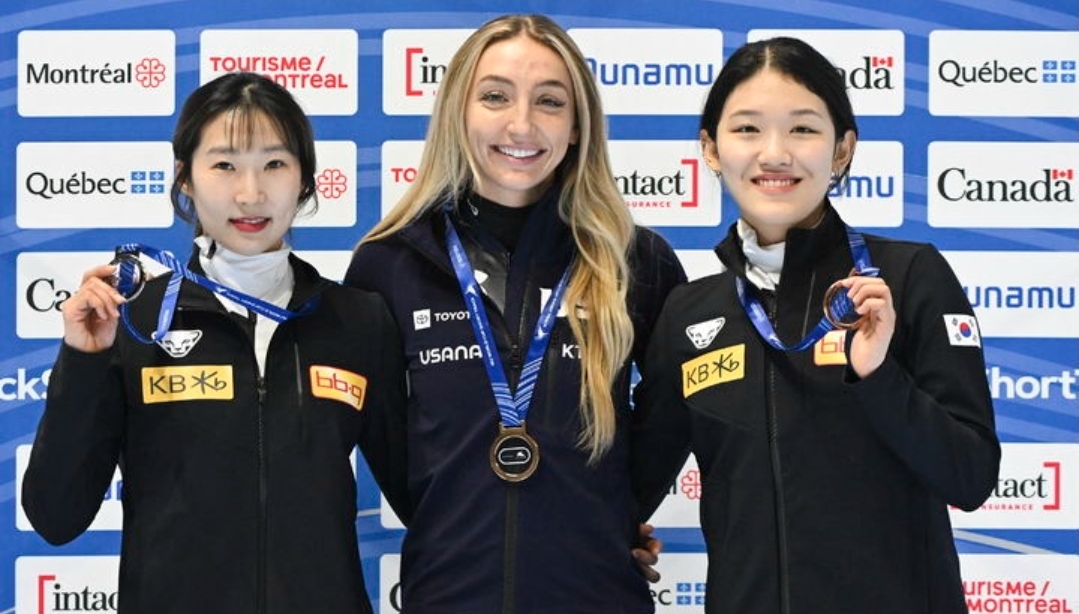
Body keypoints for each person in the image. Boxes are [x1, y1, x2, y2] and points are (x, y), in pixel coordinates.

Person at [632, 37, 1001, 614]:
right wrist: (599, 544)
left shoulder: (908, 277)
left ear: (842, 149)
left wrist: (879, 376)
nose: (774, 154)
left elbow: (971, 477)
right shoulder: (690, 313)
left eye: (802, 129)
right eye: (747, 129)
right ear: (710, 148)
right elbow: (633, 483)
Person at [21, 72, 408, 614]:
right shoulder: (135, 320)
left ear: (304, 178)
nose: (250, 193)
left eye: (274, 164)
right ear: (185, 177)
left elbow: (423, 497)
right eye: (224, 165)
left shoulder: (357, 320)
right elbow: (55, 516)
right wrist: (83, 362)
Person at [344, 13, 686, 614]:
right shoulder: (388, 265)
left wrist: (610, 519)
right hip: (448, 596)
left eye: (549, 102)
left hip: (598, 596)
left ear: (577, 127)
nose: (521, 124)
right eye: (496, 96)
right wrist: (454, 524)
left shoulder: (637, 261)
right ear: (458, 111)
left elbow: (673, 416)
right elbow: (392, 449)